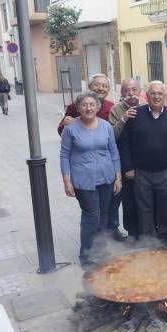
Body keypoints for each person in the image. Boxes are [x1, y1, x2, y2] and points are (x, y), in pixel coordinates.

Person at [60, 92, 122, 267]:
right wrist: (67, 181)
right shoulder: (71, 128)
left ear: (97, 107)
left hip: (107, 177)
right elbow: (64, 155)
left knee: (104, 215)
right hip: (83, 180)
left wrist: (118, 177)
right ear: (78, 108)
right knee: (91, 216)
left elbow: (114, 151)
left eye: (92, 104)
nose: (88, 108)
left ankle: (100, 249)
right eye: (84, 105)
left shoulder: (106, 126)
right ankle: (86, 255)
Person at [119, 81, 167, 243]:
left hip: (165, 172)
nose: (156, 96)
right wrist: (128, 167)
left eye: (160, 93)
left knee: (166, 208)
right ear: (147, 96)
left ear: (165, 96)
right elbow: (124, 142)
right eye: (153, 93)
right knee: (144, 209)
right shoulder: (135, 114)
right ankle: (148, 242)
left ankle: (165, 240)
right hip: (141, 173)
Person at [108, 79, 143, 241]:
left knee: (145, 198)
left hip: (144, 162)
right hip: (125, 162)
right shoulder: (116, 109)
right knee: (128, 200)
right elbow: (113, 136)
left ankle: (147, 230)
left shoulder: (146, 106)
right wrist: (124, 118)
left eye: (134, 89)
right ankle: (132, 232)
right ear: (122, 93)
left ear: (140, 91)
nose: (131, 93)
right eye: (127, 90)